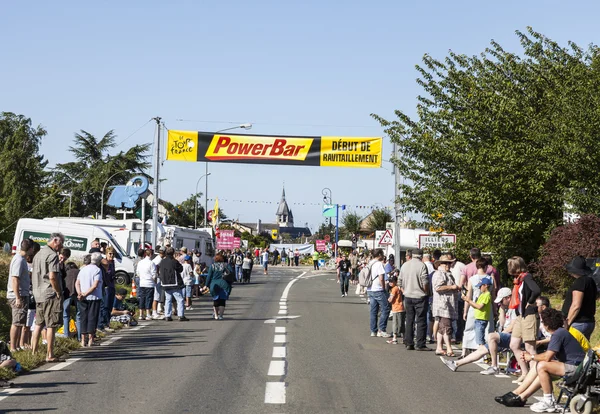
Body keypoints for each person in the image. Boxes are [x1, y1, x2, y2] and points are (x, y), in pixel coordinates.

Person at [496, 308, 586, 411]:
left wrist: (531, 357)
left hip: (576, 368)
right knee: (540, 365)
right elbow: (548, 356)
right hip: (575, 365)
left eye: (542, 322)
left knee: (542, 366)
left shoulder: (558, 334)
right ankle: (519, 395)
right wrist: (534, 358)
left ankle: (548, 401)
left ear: (547, 325)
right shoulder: (560, 332)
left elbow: (548, 357)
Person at [441, 287, 514, 374]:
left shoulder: (515, 309)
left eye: (501, 301)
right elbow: (502, 324)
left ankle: (494, 367)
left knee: (492, 336)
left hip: (514, 336)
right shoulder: (506, 309)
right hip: (506, 336)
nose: (500, 304)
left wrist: (500, 335)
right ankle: (456, 364)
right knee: (482, 349)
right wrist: (501, 309)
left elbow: (513, 326)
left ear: (508, 298)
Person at [31, 232, 64, 362]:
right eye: (60, 243)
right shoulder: (52, 255)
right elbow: (52, 276)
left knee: (38, 324)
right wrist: (58, 291)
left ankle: (33, 352)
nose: (61, 247)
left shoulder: (38, 254)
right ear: (55, 241)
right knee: (51, 324)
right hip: (49, 293)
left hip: (38, 293)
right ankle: (49, 354)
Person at [508, 256, 541, 382]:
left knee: (530, 347)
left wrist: (530, 302)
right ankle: (525, 372)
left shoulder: (526, 277)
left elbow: (536, 290)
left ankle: (534, 376)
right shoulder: (518, 279)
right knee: (514, 344)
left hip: (529, 315)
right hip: (520, 316)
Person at [462, 258, 496, 355]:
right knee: (487, 329)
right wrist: (494, 309)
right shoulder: (490, 279)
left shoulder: (472, 279)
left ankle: (465, 350)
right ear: (486, 267)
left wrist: (465, 311)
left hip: (473, 306)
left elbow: (468, 296)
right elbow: (493, 296)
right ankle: (484, 351)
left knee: (469, 328)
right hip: (486, 308)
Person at [399, 248, 431, 351]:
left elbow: (400, 281)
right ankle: (420, 344)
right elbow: (425, 282)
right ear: (421, 256)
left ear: (412, 255)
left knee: (409, 319)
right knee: (421, 320)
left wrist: (404, 290)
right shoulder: (422, 266)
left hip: (408, 296)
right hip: (420, 296)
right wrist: (426, 292)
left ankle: (409, 342)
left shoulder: (405, 265)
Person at [7, 239, 34, 352]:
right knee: (16, 322)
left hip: (23, 293)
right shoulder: (18, 259)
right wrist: (17, 297)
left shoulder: (21, 259)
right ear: (30, 248)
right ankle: (13, 347)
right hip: (18, 295)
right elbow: (15, 279)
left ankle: (17, 345)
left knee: (20, 322)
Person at [431, 254, 460, 356]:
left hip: (447, 305)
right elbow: (438, 288)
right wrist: (452, 287)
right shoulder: (439, 274)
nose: (449, 265)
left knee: (442, 327)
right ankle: (449, 348)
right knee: (447, 327)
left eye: (450, 263)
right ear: (441, 264)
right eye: (447, 263)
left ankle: (439, 347)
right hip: (443, 305)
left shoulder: (447, 274)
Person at [562, 256, 597, 339]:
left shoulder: (580, 282)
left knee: (573, 350)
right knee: (583, 350)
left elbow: (576, 305)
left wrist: (568, 323)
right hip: (588, 321)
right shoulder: (590, 281)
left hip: (578, 322)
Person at [76, 253, 103, 348]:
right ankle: (91, 339)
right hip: (94, 297)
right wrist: (86, 294)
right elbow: (95, 285)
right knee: (92, 317)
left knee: (83, 317)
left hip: (82, 297)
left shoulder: (83, 269)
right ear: (99, 261)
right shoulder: (97, 270)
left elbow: (77, 283)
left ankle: (83, 340)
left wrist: (80, 293)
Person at [158, 247, 188, 322]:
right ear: (173, 253)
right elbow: (180, 269)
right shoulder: (174, 261)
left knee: (168, 300)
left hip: (165, 283)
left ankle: (167, 315)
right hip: (174, 283)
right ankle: (181, 315)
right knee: (180, 299)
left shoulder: (162, 261)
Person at [367, 249, 391, 338]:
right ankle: (382, 330)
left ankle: (373, 331)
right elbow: (381, 278)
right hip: (378, 289)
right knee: (386, 308)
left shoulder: (370, 263)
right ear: (380, 255)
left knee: (374, 310)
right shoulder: (379, 264)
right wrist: (384, 288)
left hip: (370, 288)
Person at [206, 252, 233, 320]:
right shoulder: (226, 265)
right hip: (224, 284)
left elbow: (209, 276)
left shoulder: (212, 266)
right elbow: (231, 272)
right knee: (222, 300)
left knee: (216, 300)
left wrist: (206, 285)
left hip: (214, 284)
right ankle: (221, 315)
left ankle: (216, 315)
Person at [98, 246, 116, 333]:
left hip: (112, 286)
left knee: (109, 306)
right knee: (105, 306)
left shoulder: (112, 262)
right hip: (106, 287)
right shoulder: (105, 262)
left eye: (113, 254)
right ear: (106, 254)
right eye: (110, 253)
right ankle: (103, 324)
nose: (111, 255)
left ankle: (107, 323)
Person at [60, 261, 79, 338]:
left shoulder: (65, 273)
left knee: (65, 315)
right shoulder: (79, 272)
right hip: (78, 294)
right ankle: (80, 336)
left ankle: (66, 334)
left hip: (67, 295)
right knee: (79, 315)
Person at [136, 249, 156, 321]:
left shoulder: (140, 262)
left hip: (142, 282)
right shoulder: (151, 263)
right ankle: (148, 314)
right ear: (151, 254)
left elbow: (137, 272)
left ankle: (141, 314)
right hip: (149, 283)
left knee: (142, 298)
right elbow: (154, 275)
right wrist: (154, 281)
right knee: (149, 298)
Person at [386, 275, 404, 345]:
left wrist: (388, 299)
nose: (390, 283)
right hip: (401, 307)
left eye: (391, 282)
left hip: (396, 308)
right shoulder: (399, 288)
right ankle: (403, 338)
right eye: (389, 282)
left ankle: (394, 338)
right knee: (401, 323)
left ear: (395, 282)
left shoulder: (394, 289)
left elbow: (391, 299)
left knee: (395, 324)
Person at [152, 247, 166, 319]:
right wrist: (158, 275)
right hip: (157, 278)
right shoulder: (159, 259)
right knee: (156, 295)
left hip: (156, 278)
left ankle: (157, 310)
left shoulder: (158, 258)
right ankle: (155, 311)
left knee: (158, 294)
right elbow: (156, 266)